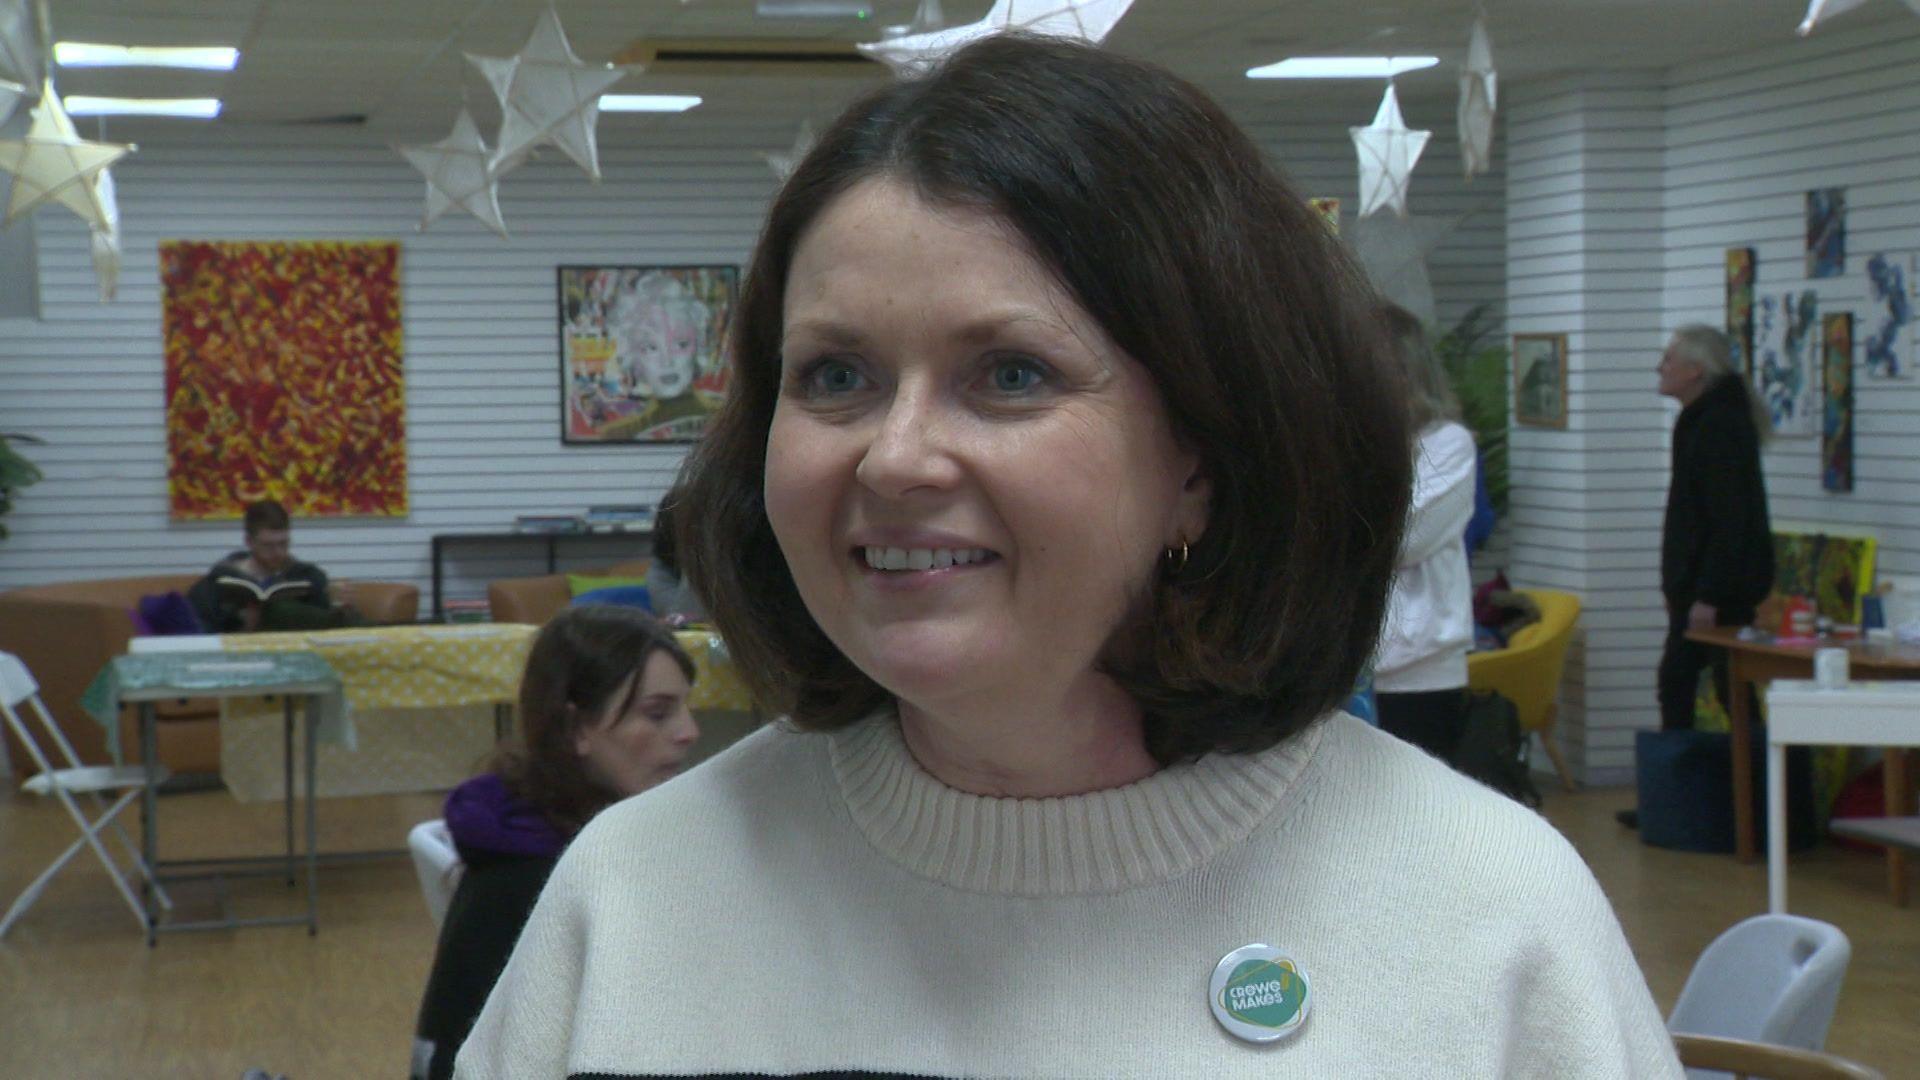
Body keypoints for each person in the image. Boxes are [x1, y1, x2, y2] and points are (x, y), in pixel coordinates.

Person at [459, 36, 1679, 1077]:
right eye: (836, 376)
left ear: (1202, 454)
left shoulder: (1489, 911)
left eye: (1011, 374)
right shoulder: (625, 902)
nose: (896, 458)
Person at [412, 605, 698, 1080]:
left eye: (687, 708)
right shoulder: (534, 877)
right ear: (575, 728)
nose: (689, 732)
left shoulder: (534, 828)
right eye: (658, 713)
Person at [1619, 325, 1774, 829]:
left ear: (1696, 370)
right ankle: (1710, 801)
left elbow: (1728, 521)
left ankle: (1690, 803)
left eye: (1668, 359)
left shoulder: (1718, 426)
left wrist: (1705, 594)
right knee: (1715, 687)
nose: (1659, 367)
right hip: (1700, 587)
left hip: (1718, 589)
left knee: (1685, 681)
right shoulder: (1701, 420)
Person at [1372, 304, 1478, 760]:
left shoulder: (1447, 443)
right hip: (1342, 662)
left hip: (1421, 662)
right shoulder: (1344, 439)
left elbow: (1404, 540)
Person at [185, 499, 333, 632]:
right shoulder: (216, 582)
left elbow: (328, 627)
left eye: (284, 544)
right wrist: (244, 627)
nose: (278, 552)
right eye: (268, 546)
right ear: (249, 541)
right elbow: (201, 635)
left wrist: (344, 608)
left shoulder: (308, 576)